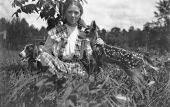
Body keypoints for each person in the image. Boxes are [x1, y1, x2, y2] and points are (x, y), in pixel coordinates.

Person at [37, 0, 104, 77]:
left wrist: (98, 46)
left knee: (82, 71)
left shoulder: (84, 34)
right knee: (43, 56)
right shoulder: (55, 32)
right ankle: (61, 77)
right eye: (70, 12)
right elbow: (46, 51)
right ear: (64, 13)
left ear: (80, 14)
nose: (73, 15)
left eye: (76, 13)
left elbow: (90, 55)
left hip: (77, 68)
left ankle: (61, 78)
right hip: (58, 64)